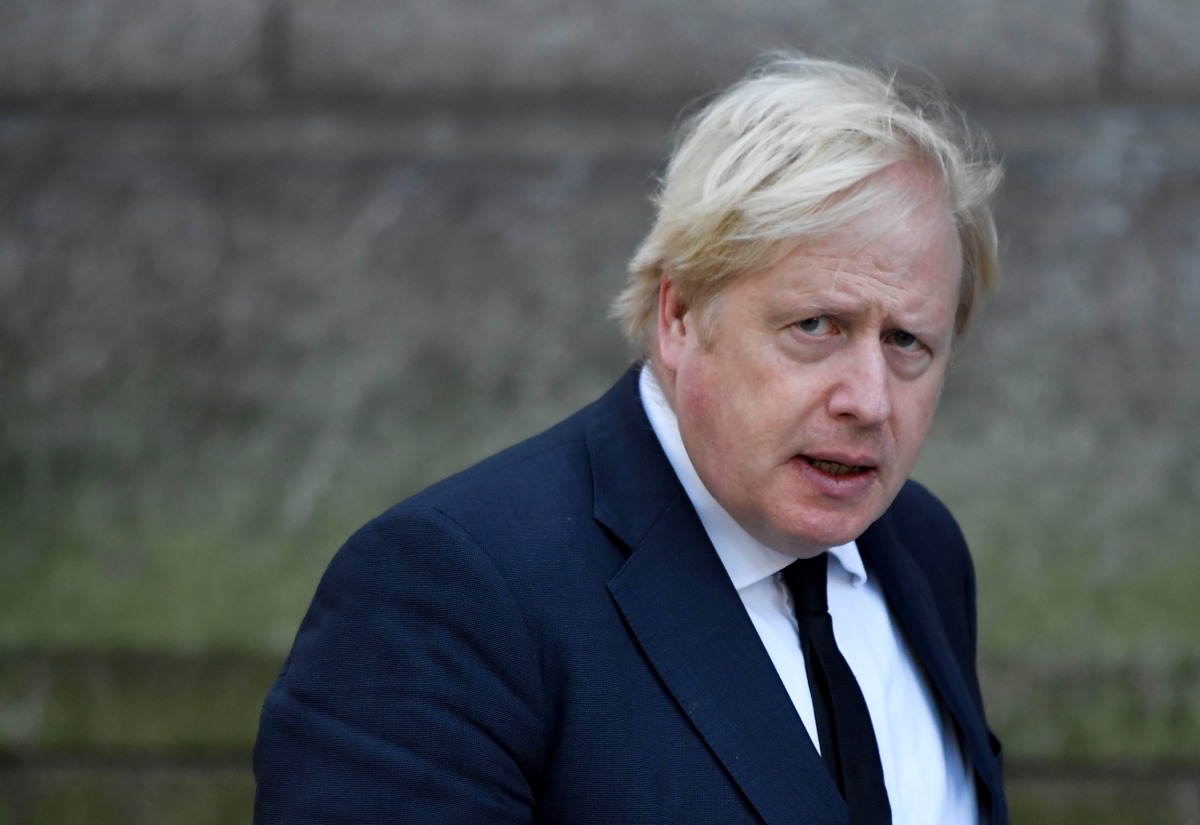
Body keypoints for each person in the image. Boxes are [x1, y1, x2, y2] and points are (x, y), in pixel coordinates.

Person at [254, 54, 1008, 825]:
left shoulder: (920, 546)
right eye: (816, 326)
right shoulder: (452, 592)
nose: (870, 401)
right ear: (679, 317)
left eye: (908, 341)